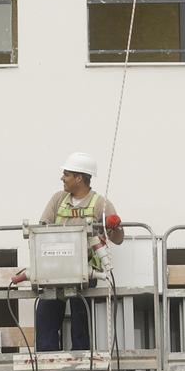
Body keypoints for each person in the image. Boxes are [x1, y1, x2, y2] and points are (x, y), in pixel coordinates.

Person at [29, 151, 125, 352]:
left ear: (79, 178)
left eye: (66, 174)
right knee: (46, 316)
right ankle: (48, 368)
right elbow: (41, 229)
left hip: (85, 272)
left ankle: (81, 367)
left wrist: (114, 227)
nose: (62, 178)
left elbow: (118, 239)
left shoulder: (100, 204)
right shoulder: (58, 199)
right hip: (54, 270)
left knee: (81, 321)